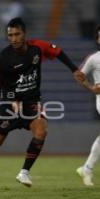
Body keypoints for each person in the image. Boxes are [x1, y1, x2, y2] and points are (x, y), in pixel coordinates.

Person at [0, 17, 86, 189]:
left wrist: (74, 69)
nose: (13, 39)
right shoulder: (4, 58)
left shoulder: (37, 48)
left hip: (31, 103)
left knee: (41, 131)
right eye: (10, 35)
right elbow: (2, 87)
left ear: (24, 34)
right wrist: (12, 98)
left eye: (17, 34)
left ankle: (24, 172)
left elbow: (57, 52)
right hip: (9, 105)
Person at [76, 25, 100, 186]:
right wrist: (92, 88)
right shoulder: (94, 58)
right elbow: (79, 75)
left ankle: (87, 168)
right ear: (98, 39)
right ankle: (87, 168)